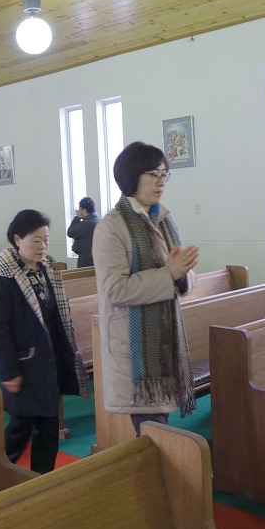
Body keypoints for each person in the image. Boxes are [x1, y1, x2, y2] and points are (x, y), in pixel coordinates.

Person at [91, 141, 199, 436]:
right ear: (131, 176)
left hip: (165, 340)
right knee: (154, 433)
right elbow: (115, 290)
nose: (161, 182)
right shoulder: (111, 227)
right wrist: (169, 275)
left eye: (165, 174)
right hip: (134, 350)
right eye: (153, 174)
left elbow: (186, 277)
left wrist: (181, 277)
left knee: (156, 432)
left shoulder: (164, 219)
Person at [0, 209, 89, 474]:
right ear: (18, 240)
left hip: (47, 364)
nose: (43, 246)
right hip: (23, 366)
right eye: (36, 240)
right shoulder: (1, 280)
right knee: (20, 428)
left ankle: (43, 481)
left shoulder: (47, 271)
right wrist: (9, 372)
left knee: (48, 428)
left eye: (46, 239)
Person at [66, 197, 100, 268]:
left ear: (84, 210)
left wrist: (77, 217)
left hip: (86, 261)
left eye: (79, 209)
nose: (78, 211)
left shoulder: (87, 224)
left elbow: (70, 232)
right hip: (97, 259)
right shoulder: (98, 220)